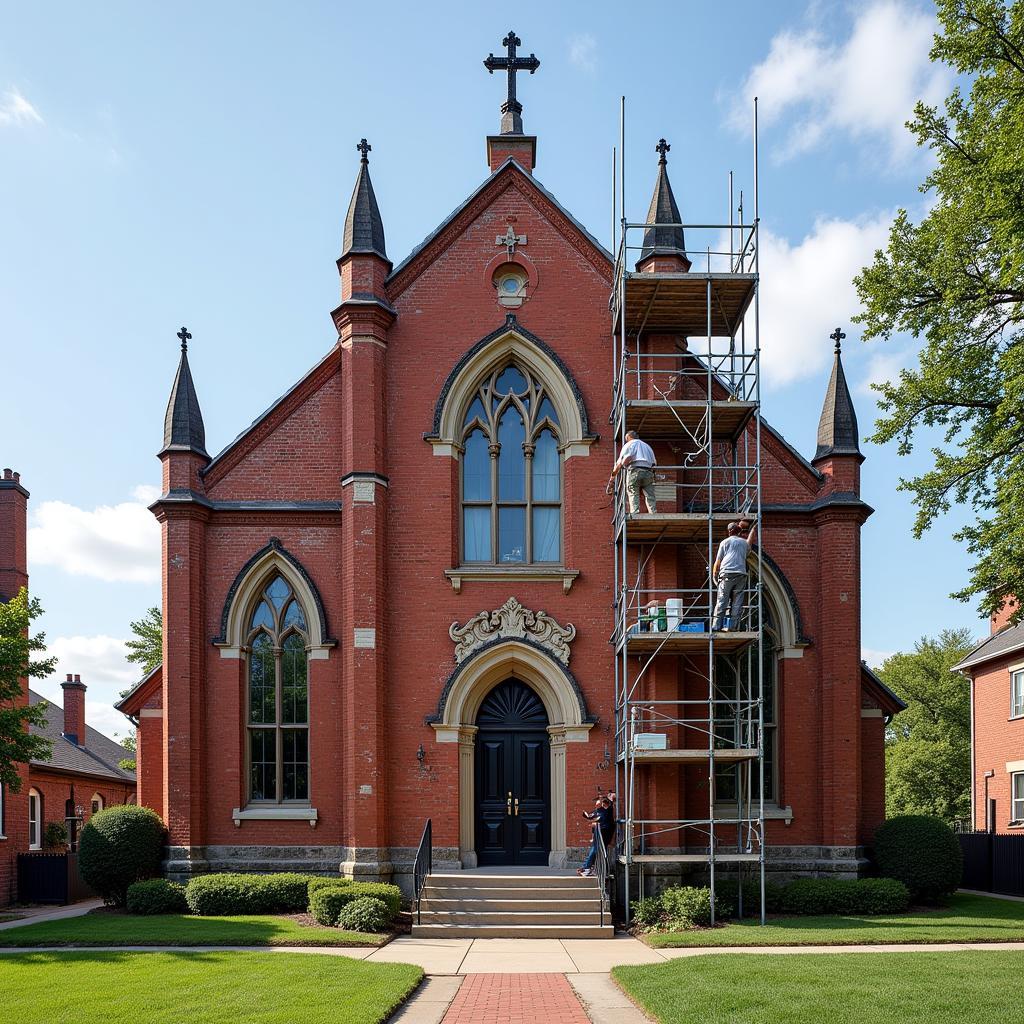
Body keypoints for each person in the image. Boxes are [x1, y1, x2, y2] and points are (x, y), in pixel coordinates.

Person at [711, 518, 757, 631]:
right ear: (739, 532)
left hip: (727, 573)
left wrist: (714, 576)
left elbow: (718, 562)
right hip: (741, 574)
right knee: (737, 602)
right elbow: (749, 546)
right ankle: (733, 627)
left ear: (729, 531)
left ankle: (716, 626)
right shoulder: (743, 543)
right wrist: (753, 530)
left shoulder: (725, 542)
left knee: (722, 600)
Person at [608, 430, 657, 515]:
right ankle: (653, 512)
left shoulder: (630, 444)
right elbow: (654, 463)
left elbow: (623, 460)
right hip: (648, 472)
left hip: (635, 471)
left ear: (628, 437)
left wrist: (612, 478)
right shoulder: (647, 446)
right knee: (650, 494)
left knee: (633, 491)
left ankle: (635, 513)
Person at [578, 793, 617, 877]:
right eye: (597, 804)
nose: (599, 805)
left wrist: (608, 796)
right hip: (599, 833)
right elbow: (590, 817)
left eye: (601, 803)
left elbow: (612, 798)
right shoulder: (597, 811)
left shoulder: (608, 810)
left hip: (604, 833)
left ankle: (587, 868)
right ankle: (594, 868)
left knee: (598, 850)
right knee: (598, 850)